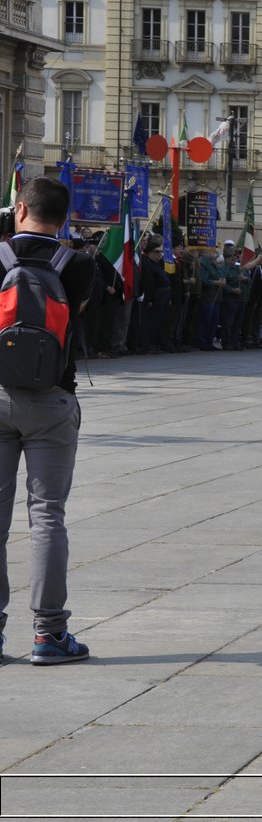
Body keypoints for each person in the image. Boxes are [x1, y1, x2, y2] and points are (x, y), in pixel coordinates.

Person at [0, 177, 99, 664]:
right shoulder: (78, 263)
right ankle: (49, 634)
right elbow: (79, 319)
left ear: (19, 210)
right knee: (47, 517)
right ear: (63, 219)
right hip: (52, 399)